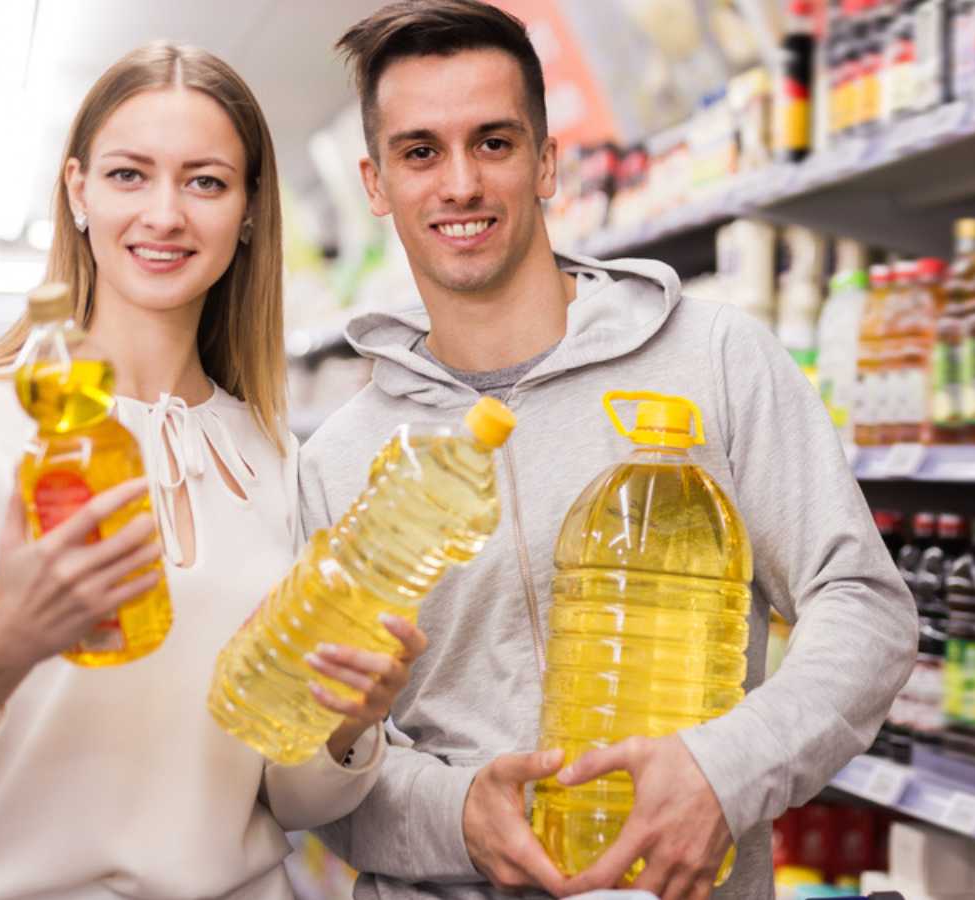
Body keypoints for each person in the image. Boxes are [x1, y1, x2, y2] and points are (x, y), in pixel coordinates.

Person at [303, 3, 917, 899]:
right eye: (421, 151)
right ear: (375, 181)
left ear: (549, 160)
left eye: (496, 142)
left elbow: (862, 602)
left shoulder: (712, 355)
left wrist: (723, 767)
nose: (461, 183)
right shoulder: (338, 462)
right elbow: (325, 767)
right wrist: (457, 812)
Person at [0, 41, 425, 899]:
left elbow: (285, 794)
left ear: (251, 208)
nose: (165, 214)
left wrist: (346, 723)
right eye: (128, 175)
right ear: (78, 192)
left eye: (206, 181)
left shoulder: (275, 459)